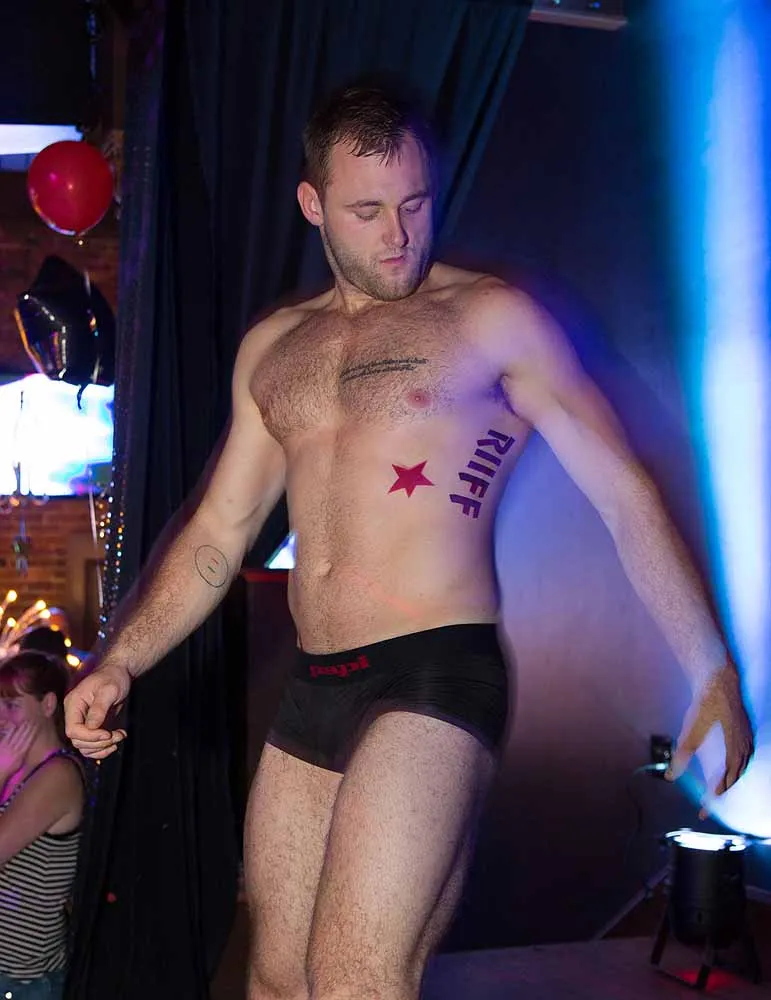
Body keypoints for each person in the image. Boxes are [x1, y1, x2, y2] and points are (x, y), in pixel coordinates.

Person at [64, 83, 754, 1000]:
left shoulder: (491, 319)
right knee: (276, 981)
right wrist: (121, 660)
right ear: (312, 204)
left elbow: (624, 495)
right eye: (367, 211)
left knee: (355, 976)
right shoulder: (274, 349)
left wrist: (711, 668)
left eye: (415, 203)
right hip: (315, 685)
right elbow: (219, 530)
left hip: (435, 673)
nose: (398, 234)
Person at [0, 651, 84, 999]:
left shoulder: (58, 774)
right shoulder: (20, 769)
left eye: (12, 705)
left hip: (22, 979)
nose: (0, 716)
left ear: (48, 704)